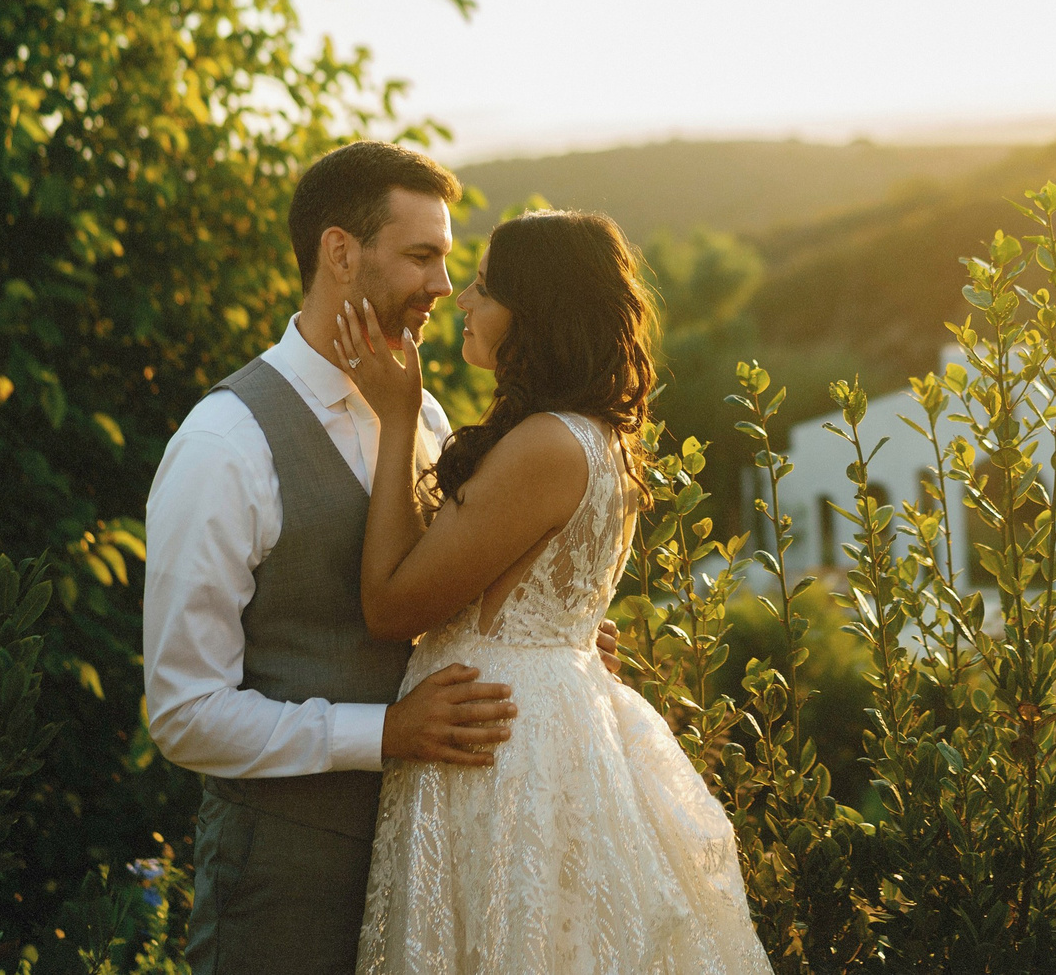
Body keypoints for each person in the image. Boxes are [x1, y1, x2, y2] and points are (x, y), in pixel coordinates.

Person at [143, 142, 622, 975]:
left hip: (444, 852)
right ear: (340, 253)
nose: (445, 285)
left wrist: (545, 652)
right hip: (288, 876)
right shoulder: (225, 444)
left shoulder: (425, 412)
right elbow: (183, 711)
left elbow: (450, 584)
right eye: (422, 256)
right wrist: (386, 732)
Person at [334, 208, 771, 975]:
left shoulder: (543, 444)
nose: (462, 303)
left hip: (501, 749)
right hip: (540, 719)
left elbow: (390, 608)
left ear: (532, 315)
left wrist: (397, 417)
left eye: (482, 289)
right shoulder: (596, 436)